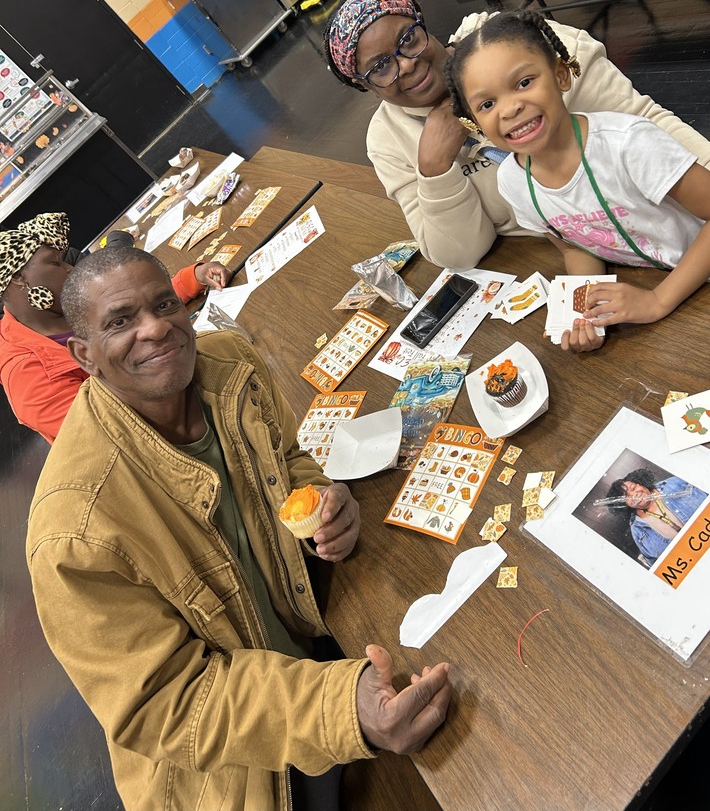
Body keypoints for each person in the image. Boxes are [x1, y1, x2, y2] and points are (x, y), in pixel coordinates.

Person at [26, 246, 451, 811]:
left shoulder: (229, 362)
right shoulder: (71, 532)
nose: (155, 329)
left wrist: (324, 502)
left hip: (322, 634)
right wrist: (340, 709)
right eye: (121, 322)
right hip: (237, 772)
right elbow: (167, 706)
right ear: (84, 354)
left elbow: (288, 456)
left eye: (163, 303)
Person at [323, 0, 710, 269]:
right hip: (567, 257)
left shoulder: (515, 43)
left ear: (423, 25)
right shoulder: (388, 138)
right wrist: (435, 170)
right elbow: (460, 253)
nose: (407, 64)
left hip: (661, 218)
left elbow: (639, 119)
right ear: (365, 86)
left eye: (408, 38)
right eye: (380, 67)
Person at [443, 9, 710, 351]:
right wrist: (587, 314)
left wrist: (657, 301)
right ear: (474, 122)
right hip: (665, 290)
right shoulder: (513, 181)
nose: (509, 109)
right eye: (487, 103)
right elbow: (573, 244)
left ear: (561, 76)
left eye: (524, 82)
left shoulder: (626, 143)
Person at [0, 212, 231, 442]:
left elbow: (128, 307)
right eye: (55, 263)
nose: (70, 269)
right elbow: (114, 434)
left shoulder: (56, 310)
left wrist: (191, 279)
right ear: (19, 277)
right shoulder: (26, 377)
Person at [606, 469, 708, 563]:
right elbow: (656, 564)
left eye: (633, 488)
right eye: (626, 497)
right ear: (624, 504)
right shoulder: (638, 530)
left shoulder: (675, 484)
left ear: (641, 482)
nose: (634, 495)